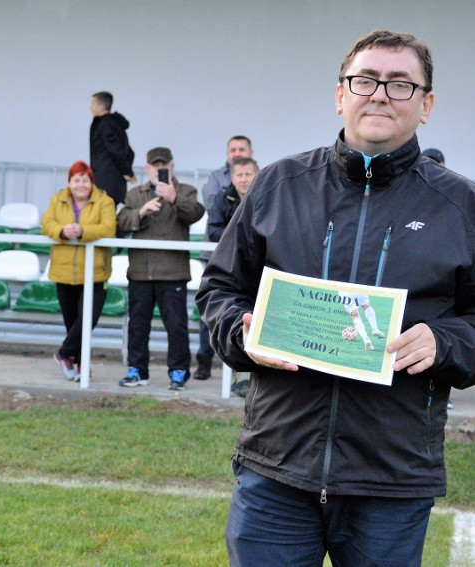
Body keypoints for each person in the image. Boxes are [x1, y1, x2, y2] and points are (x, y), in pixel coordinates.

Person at [197, 30, 475, 566]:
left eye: (400, 84)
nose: (379, 94)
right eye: (365, 79)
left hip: (390, 479)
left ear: (427, 105)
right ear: (340, 94)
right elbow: (219, 288)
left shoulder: (460, 206)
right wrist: (242, 330)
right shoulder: (279, 185)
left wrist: (445, 341)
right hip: (276, 466)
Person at [116, 147, 205, 390]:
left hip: (172, 272)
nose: (159, 169)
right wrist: (141, 212)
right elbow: (121, 221)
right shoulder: (135, 194)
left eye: (163, 165)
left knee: (176, 326)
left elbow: (196, 214)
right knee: (138, 325)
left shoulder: (186, 190)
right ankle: (136, 370)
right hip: (140, 272)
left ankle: (179, 371)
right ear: (147, 169)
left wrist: (173, 197)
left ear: (172, 167)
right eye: (154, 166)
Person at [42, 160, 116, 381]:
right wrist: (62, 231)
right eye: (76, 180)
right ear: (69, 182)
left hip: (95, 273)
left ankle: (64, 353)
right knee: (72, 322)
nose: (81, 184)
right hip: (64, 272)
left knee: (87, 320)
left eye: (85, 180)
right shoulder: (57, 199)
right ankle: (81, 366)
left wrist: (83, 230)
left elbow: (109, 228)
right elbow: (47, 224)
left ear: (91, 182)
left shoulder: (105, 201)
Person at [199, 156, 259, 389]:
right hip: (227, 269)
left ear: (257, 174)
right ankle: (207, 365)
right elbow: (212, 232)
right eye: (239, 175)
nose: (244, 180)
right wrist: (241, 235)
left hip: (257, 271)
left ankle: (244, 377)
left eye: (248, 174)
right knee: (218, 319)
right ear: (232, 177)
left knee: (252, 319)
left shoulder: (268, 197)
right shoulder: (222, 200)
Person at [89, 91, 136, 207]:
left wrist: (126, 171)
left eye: (93, 104)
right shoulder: (115, 123)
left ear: (100, 106)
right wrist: (127, 170)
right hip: (110, 179)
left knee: (103, 216)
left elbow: (116, 150)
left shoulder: (105, 124)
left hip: (106, 180)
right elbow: (128, 151)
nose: (91, 108)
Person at [199, 135, 253, 211]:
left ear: (251, 153)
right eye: (233, 150)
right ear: (227, 154)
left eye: (242, 150)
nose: (237, 154)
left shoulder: (262, 176)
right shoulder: (216, 177)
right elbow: (211, 206)